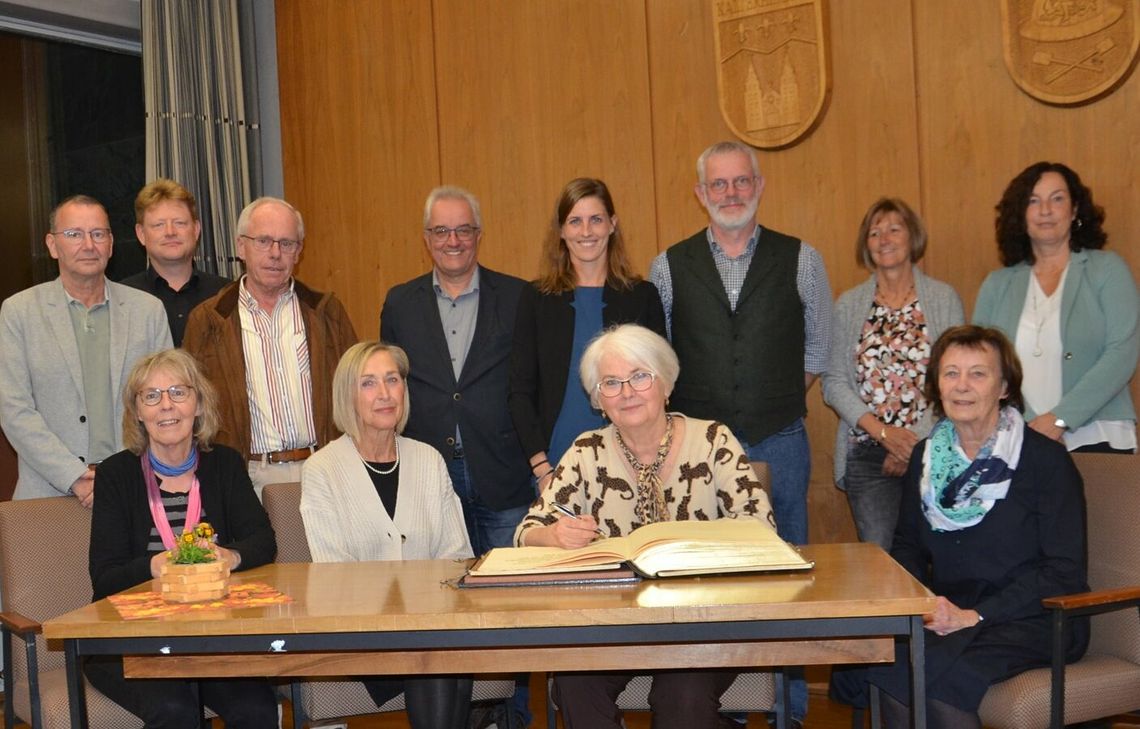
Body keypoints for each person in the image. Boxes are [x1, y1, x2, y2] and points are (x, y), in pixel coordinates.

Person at [648, 140, 831, 726]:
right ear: (701, 194)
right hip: (695, 453)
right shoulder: (667, 265)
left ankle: (791, 712)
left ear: (760, 185)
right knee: (703, 580)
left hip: (781, 438)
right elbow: (662, 360)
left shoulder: (802, 258)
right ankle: (715, 708)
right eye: (718, 185)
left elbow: (819, 348)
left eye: (741, 182)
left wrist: (769, 398)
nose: (731, 193)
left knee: (790, 575)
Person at [515, 324, 775, 729]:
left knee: (681, 693)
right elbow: (527, 530)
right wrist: (553, 535)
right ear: (599, 400)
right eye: (612, 383)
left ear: (666, 384)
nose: (627, 392)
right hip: (612, 627)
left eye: (640, 376)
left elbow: (761, 528)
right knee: (574, 681)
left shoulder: (713, 441)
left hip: (705, 625)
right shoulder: (586, 452)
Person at [861, 325, 1089, 728]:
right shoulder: (925, 459)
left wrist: (976, 615)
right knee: (885, 671)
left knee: (940, 686)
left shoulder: (1046, 462)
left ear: (1003, 387)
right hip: (950, 611)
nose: (961, 386)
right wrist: (920, 606)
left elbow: (1063, 571)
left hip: (1033, 618)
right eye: (951, 373)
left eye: (977, 374)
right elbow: (907, 547)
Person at [86, 348, 278, 727]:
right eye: (151, 396)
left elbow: (263, 542)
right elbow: (104, 578)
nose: (166, 406)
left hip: (213, 638)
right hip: (132, 642)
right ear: (138, 412)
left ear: (199, 403)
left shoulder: (224, 463)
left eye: (178, 392)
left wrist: (228, 556)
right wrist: (154, 566)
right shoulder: (116, 475)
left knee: (256, 709)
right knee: (174, 711)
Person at [300, 341, 473, 728]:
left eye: (392, 380)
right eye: (368, 383)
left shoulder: (428, 459)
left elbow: (458, 554)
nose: (384, 394)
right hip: (361, 632)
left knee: (446, 657)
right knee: (442, 663)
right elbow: (332, 571)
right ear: (348, 395)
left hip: (431, 625)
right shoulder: (322, 469)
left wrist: (427, 617)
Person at [380, 186, 532, 557]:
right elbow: (390, 388)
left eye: (463, 230)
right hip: (428, 477)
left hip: (503, 475)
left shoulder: (519, 297)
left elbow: (531, 386)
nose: (453, 241)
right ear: (427, 238)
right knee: (440, 596)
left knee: (514, 593)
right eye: (441, 231)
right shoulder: (399, 303)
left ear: (479, 235)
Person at [183, 197, 358, 498]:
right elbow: (191, 407)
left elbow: (356, 391)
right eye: (263, 241)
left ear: (299, 251)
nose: (275, 253)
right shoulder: (208, 320)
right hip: (246, 475)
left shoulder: (326, 312)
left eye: (287, 243)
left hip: (325, 468)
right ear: (241, 247)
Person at [0, 195, 172, 503]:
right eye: (74, 234)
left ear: (110, 244)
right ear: (53, 245)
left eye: (98, 234)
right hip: (47, 492)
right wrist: (73, 475)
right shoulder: (19, 312)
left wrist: (122, 474)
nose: (88, 244)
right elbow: (13, 410)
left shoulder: (147, 311)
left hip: (136, 487)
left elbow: (166, 402)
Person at [822, 198, 964, 550]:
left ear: (912, 237)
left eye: (894, 229)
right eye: (875, 232)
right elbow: (834, 383)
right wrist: (884, 434)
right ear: (866, 245)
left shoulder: (944, 298)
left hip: (934, 447)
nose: (884, 238)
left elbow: (958, 379)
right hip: (868, 454)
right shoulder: (849, 304)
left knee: (942, 558)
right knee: (883, 563)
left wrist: (910, 445)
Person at [510, 177, 666, 494]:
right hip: (556, 466)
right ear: (562, 231)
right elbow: (519, 392)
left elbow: (661, 385)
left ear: (612, 224)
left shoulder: (642, 297)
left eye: (596, 219)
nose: (586, 232)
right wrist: (542, 470)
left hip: (635, 463)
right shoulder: (536, 299)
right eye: (575, 221)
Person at [974, 161, 1138, 454]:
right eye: (1033, 201)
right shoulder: (996, 285)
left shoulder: (1107, 270)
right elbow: (981, 366)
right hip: (1017, 441)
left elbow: (1122, 354)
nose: (1045, 210)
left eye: (1057, 199)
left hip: (1096, 435)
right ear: (1020, 214)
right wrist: (1029, 425)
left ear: (1074, 210)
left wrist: (1060, 418)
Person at [120, 179, 229, 346]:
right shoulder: (122, 299)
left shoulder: (226, 295)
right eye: (159, 225)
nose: (170, 232)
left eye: (179, 223)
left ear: (196, 230)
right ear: (141, 234)